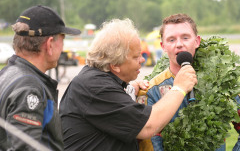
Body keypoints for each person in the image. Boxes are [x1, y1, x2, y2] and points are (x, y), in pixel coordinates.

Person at [59, 18, 197, 151]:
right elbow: (148, 126)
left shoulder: (97, 81)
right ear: (115, 65)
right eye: (136, 56)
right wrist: (180, 87)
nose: (142, 60)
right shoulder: (97, 88)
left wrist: (127, 91)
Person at [137, 13, 226, 151]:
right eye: (171, 40)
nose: (179, 44)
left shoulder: (220, 82)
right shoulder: (151, 91)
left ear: (197, 41)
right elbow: (150, 143)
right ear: (163, 46)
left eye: (185, 37)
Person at [0, 5, 80, 150]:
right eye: (62, 40)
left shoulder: (6, 74)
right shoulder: (29, 89)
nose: (62, 47)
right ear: (49, 44)